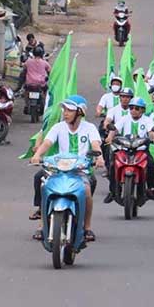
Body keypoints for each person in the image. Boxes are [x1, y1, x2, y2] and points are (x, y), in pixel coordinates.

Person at [29, 96, 104, 241]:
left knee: (87, 192)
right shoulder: (58, 127)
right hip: (59, 168)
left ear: (80, 112)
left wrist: (99, 158)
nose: (65, 113)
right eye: (64, 109)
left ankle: (87, 227)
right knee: (42, 182)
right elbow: (47, 143)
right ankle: (42, 225)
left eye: (69, 110)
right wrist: (37, 155)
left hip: (81, 169)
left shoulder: (90, 128)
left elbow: (95, 145)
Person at [104, 98, 154, 203]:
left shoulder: (147, 120)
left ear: (142, 110)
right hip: (124, 149)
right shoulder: (125, 118)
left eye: (137, 108)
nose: (133, 110)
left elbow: (151, 131)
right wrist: (110, 137)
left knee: (152, 166)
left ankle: (150, 189)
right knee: (112, 166)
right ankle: (113, 191)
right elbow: (114, 129)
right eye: (131, 108)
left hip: (141, 150)